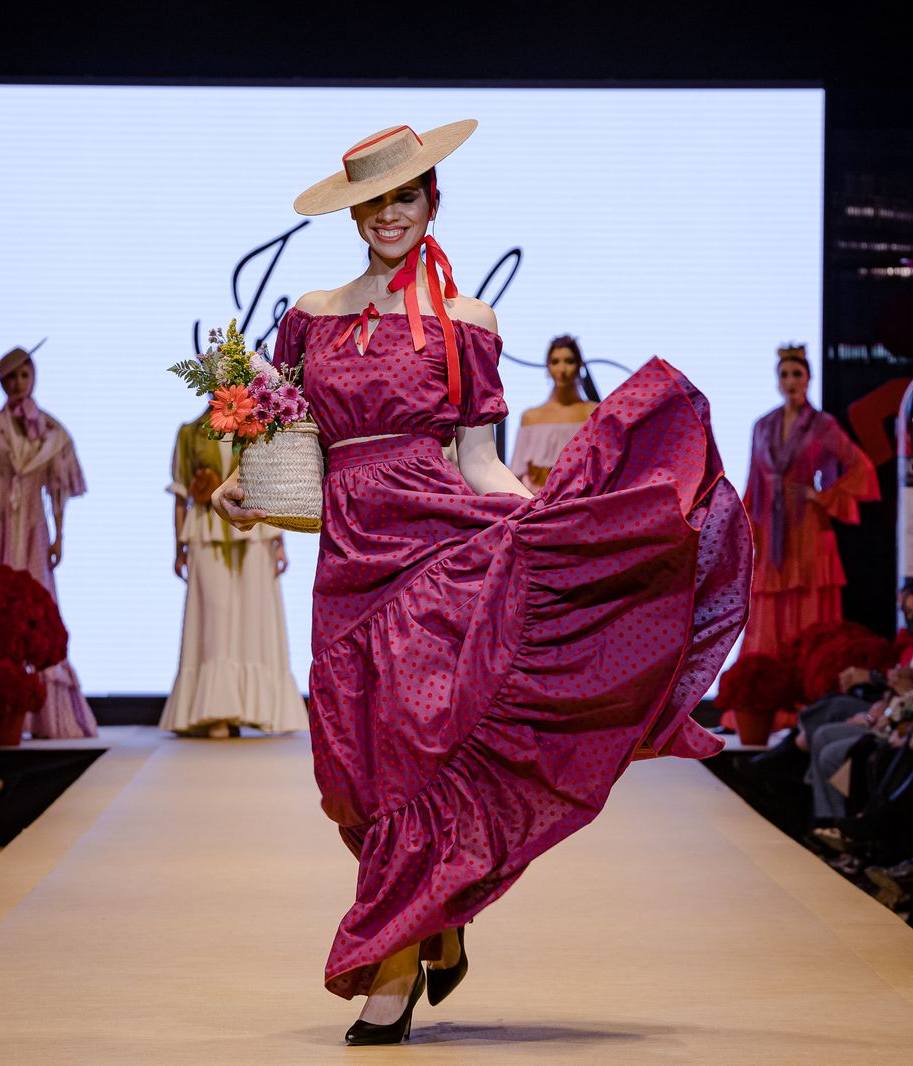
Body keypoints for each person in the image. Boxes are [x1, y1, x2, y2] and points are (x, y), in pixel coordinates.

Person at [213, 120, 752, 1044]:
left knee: (414, 752)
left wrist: (537, 519)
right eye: (374, 201)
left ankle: (390, 972)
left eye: (407, 197)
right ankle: (440, 910)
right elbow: (294, 452)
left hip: (440, 548)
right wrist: (249, 487)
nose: (391, 214)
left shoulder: (468, 324)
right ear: (354, 214)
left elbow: (478, 461)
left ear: (433, 202)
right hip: (348, 561)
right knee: (352, 766)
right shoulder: (307, 315)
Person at [0, 347, 97, 739]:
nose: (18, 383)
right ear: (1, 383)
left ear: (33, 376)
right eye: (10, 378)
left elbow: (59, 491)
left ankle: (43, 715)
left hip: (33, 525)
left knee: (37, 606)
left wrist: (60, 536)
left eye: (23, 375)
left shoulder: (52, 432)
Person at [162, 409, 305, 737]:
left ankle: (256, 708)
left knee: (254, 617)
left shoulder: (255, 427)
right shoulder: (190, 432)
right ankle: (216, 713)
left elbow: (269, 486)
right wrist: (178, 547)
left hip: (256, 529)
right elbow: (181, 495)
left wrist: (280, 542)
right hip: (206, 531)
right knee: (215, 619)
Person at [740, 342, 879, 656]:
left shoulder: (822, 425)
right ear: (777, 381)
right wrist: (745, 529)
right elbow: (753, 484)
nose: (791, 381)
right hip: (771, 531)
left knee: (807, 609)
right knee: (768, 613)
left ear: (808, 378)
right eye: (785, 374)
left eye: (797, 374)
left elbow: (861, 467)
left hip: (807, 529)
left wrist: (823, 496)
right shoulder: (762, 426)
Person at [507, 335, 596, 492]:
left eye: (569, 361)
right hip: (536, 501)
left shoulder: (594, 413)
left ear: (579, 365)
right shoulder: (531, 417)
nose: (561, 369)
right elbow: (517, 472)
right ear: (547, 366)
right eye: (555, 362)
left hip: (581, 499)